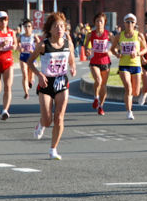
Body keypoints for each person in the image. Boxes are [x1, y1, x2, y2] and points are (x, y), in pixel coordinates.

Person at [28, 12, 76, 160]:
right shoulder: (43, 45)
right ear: (50, 29)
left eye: (62, 26)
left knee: (60, 118)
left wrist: (73, 67)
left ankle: (53, 149)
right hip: (46, 83)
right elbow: (30, 62)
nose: (60, 29)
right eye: (56, 26)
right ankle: (41, 124)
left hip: (61, 82)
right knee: (48, 119)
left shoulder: (68, 43)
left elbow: (72, 60)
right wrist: (39, 74)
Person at [111, 13, 146, 120]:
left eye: (132, 22)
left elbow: (145, 49)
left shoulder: (139, 35)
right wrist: (117, 54)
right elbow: (112, 49)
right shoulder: (119, 36)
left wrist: (138, 54)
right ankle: (129, 111)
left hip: (136, 65)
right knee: (128, 88)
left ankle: (131, 101)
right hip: (124, 65)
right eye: (127, 22)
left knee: (135, 92)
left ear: (135, 24)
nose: (130, 24)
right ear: (124, 23)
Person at [84, 13, 112, 116]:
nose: (99, 23)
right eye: (97, 21)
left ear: (104, 23)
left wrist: (111, 51)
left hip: (105, 61)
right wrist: (87, 50)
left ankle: (101, 106)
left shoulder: (109, 34)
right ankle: (96, 98)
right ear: (94, 23)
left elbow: (115, 46)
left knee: (104, 85)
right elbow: (86, 45)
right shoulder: (91, 34)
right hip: (94, 61)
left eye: (101, 21)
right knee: (98, 80)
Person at [18, 19, 39, 100]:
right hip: (23, 57)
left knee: (30, 76)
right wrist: (19, 48)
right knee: (24, 74)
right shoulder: (21, 36)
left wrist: (34, 50)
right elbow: (16, 45)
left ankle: (30, 81)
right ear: (23, 27)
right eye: (25, 26)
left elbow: (39, 45)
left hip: (31, 57)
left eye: (29, 26)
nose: (27, 28)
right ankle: (26, 93)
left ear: (32, 28)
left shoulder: (34, 36)